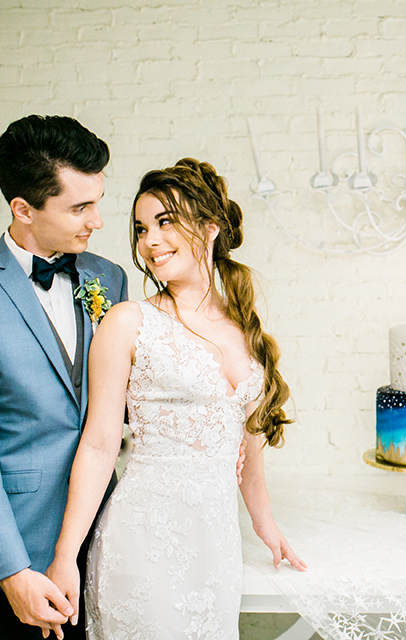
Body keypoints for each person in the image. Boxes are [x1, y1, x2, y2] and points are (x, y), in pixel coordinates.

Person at [45, 158, 306, 639]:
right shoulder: (128, 322)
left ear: (210, 228)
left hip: (216, 545)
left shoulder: (245, 327)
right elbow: (100, 445)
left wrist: (267, 529)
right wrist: (65, 558)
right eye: (142, 229)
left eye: (165, 222)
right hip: (142, 541)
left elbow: (248, 452)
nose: (150, 241)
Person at [0, 115, 129, 639]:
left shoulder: (108, 277)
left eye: (97, 201)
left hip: (112, 542)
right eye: (80, 207)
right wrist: (12, 572)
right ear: (23, 209)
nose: (97, 221)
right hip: (18, 558)